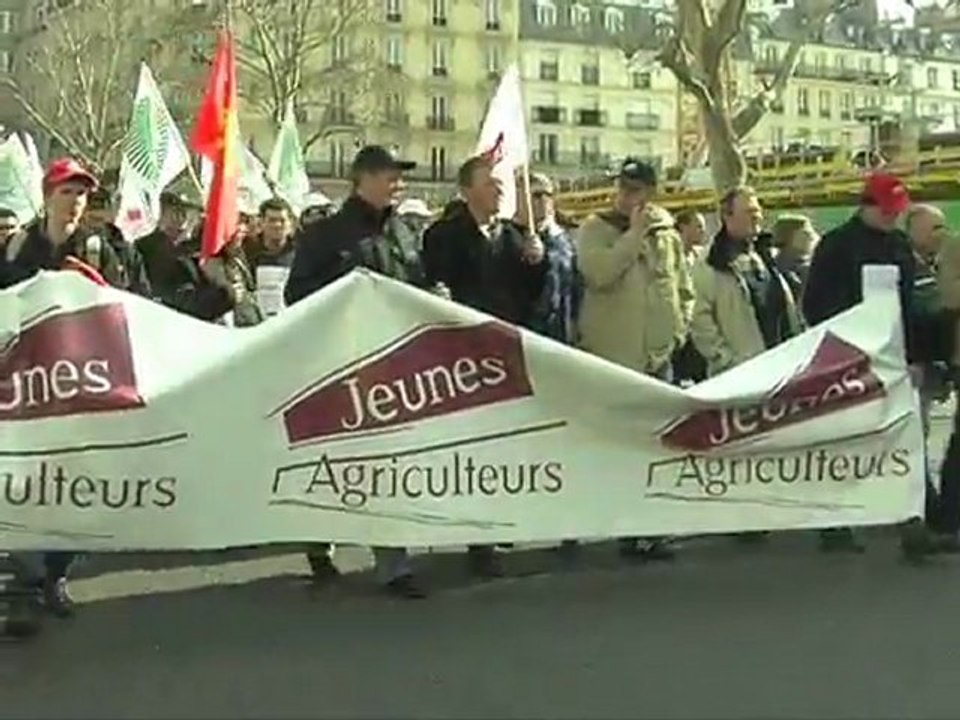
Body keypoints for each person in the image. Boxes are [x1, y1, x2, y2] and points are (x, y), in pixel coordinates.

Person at [284, 145, 429, 599]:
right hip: (341, 367)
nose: (398, 184)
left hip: (394, 369)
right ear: (362, 178)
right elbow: (298, 294)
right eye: (391, 175)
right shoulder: (326, 234)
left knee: (390, 465)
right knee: (336, 462)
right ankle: (318, 544)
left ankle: (394, 564)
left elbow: (417, 285)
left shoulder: (404, 232)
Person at [2, 158, 128, 620]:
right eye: (67, 193)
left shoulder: (99, 247)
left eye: (81, 194)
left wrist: (97, 285)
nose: (75, 202)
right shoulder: (17, 245)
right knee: (29, 474)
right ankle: (25, 569)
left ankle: (54, 573)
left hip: (82, 378)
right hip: (30, 378)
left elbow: (132, 302)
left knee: (74, 477)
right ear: (46, 195)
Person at [421, 155, 547, 578]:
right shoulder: (443, 235)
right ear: (466, 190)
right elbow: (434, 287)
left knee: (502, 443)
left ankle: (492, 526)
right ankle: (475, 533)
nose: (499, 190)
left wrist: (536, 262)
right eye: (490, 183)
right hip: (462, 356)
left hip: (506, 353)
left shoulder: (513, 236)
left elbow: (531, 295)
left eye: (499, 183)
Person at [803, 174, 939, 562]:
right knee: (848, 442)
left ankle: (912, 523)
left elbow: (910, 305)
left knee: (903, 441)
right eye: (887, 211)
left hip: (895, 357)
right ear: (866, 205)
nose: (893, 218)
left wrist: (916, 356)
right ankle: (833, 522)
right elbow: (817, 306)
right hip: (851, 358)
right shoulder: (836, 246)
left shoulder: (898, 244)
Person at [575, 157, 690, 561]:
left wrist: (678, 330)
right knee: (621, 448)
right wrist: (633, 235)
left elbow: (681, 285)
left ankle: (653, 528)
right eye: (623, 189)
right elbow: (599, 273)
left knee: (659, 447)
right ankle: (624, 528)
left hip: (658, 357)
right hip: (615, 357)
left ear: (650, 192)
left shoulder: (667, 232)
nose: (626, 197)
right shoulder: (595, 229)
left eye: (636, 190)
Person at [691, 188, 802, 376]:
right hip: (742, 376)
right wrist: (726, 361)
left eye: (758, 210)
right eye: (750, 212)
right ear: (727, 216)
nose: (757, 217)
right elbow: (699, 320)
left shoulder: (765, 254)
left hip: (784, 367)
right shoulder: (711, 263)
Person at [136, 192, 232, 321]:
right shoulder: (154, 251)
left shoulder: (186, 250)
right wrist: (224, 291)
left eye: (188, 214)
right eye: (174, 213)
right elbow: (185, 305)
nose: (182, 221)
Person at [82, 187, 152, 296]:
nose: (97, 211)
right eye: (91, 203)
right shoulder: (64, 242)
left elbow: (142, 296)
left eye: (103, 204)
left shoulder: (128, 253)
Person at [671, 209, 708, 385]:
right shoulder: (669, 257)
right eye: (699, 226)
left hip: (699, 326)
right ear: (684, 227)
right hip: (678, 326)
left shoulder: (701, 256)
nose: (704, 231)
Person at [771, 214, 817, 302]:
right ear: (787, 236)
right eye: (805, 233)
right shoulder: (775, 269)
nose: (812, 237)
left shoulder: (814, 265)